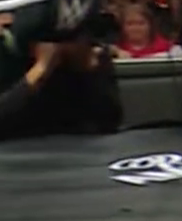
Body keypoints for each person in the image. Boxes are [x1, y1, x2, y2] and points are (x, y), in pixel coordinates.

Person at [0, 11, 123, 140]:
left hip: (76, 145)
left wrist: (89, 69)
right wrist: (40, 70)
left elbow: (110, 121)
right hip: (19, 144)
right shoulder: (8, 56)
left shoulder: (89, 52)